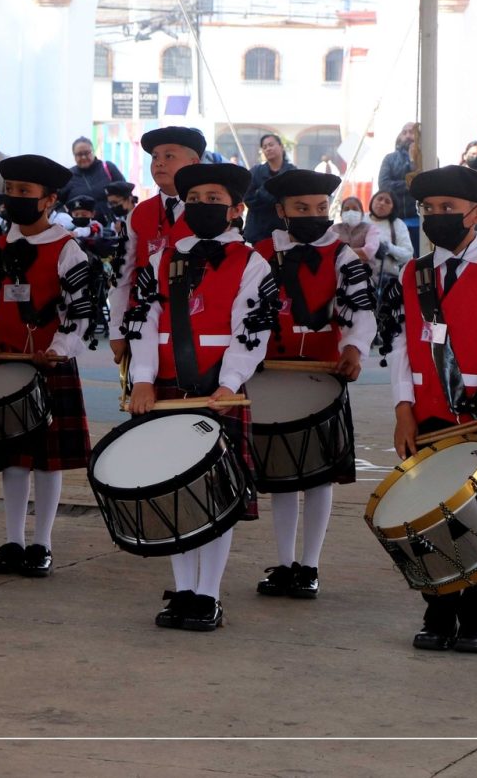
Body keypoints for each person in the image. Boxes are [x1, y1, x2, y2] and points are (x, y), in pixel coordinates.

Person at [381, 164, 477, 654]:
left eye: (449, 209)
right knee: (425, 517)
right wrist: (403, 407)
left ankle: (476, 616)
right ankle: (437, 612)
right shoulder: (413, 272)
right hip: (424, 414)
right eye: (429, 209)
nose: (437, 217)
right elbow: (401, 344)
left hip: (476, 416)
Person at [125, 162, 274, 632]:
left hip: (220, 390)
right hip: (165, 388)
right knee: (173, 492)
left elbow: (253, 329)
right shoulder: (161, 260)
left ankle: (208, 593)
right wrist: (143, 379)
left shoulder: (252, 263)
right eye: (196, 199)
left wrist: (230, 383)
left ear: (236, 209)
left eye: (215, 199)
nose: (204, 206)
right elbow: (141, 322)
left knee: (216, 496)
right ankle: (183, 588)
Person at [0, 153, 96, 579]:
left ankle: (43, 543)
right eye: (11, 190)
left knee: (45, 461)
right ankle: (13, 540)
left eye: (26, 192)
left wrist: (58, 347)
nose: (15, 198)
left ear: (49, 199)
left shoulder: (66, 249)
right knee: (12, 458)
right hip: (3, 365)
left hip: (47, 366)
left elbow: (81, 310)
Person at [251, 169, 373, 601]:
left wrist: (354, 349)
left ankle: (310, 566)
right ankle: (284, 563)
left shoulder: (342, 256)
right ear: (282, 211)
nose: (314, 215)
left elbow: (360, 311)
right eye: (302, 209)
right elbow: (246, 312)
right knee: (283, 477)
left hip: (324, 375)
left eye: (321, 209)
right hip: (275, 378)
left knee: (318, 478)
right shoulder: (260, 254)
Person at [107, 127, 204, 367]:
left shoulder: (209, 212)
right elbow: (122, 275)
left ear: (194, 163)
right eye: (155, 157)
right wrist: (117, 330)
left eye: (169, 156)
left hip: (195, 325)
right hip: (142, 325)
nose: (159, 163)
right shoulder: (138, 214)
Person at [240, 132, 298, 244]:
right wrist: (275, 198)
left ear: (281, 146)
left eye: (271, 145)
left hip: (285, 231)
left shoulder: (292, 172)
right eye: (264, 147)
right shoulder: (255, 172)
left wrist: (261, 193)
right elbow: (248, 199)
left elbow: (294, 200)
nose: (268, 149)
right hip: (259, 231)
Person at [377, 122, 421, 250]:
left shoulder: (430, 158)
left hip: (419, 220)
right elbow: (384, 185)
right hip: (395, 219)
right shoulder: (389, 159)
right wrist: (410, 183)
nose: (408, 136)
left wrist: (414, 160)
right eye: (404, 132)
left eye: (412, 132)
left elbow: (425, 183)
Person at [60, 136, 126, 222]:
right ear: (74, 156)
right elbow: (57, 203)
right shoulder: (68, 176)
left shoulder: (108, 168)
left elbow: (126, 194)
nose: (83, 157)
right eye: (79, 154)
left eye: (87, 153)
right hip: (80, 231)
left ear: (93, 152)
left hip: (113, 227)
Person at [366, 189, 414, 280]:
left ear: (393, 208)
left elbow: (408, 253)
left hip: (386, 280)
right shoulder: (361, 219)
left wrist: (389, 247)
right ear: (372, 200)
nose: (382, 203)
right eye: (379, 199)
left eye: (387, 201)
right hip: (359, 278)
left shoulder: (398, 224)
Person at [330, 194, 381, 266]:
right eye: (346, 209)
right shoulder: (333, 229)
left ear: (362, 213)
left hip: (363, 271)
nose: (350, 212)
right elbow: (327, 251)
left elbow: (368, 252)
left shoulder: (370, 229)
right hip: (337, 270)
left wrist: (339, 253)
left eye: (355, 209)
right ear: (341, 214)